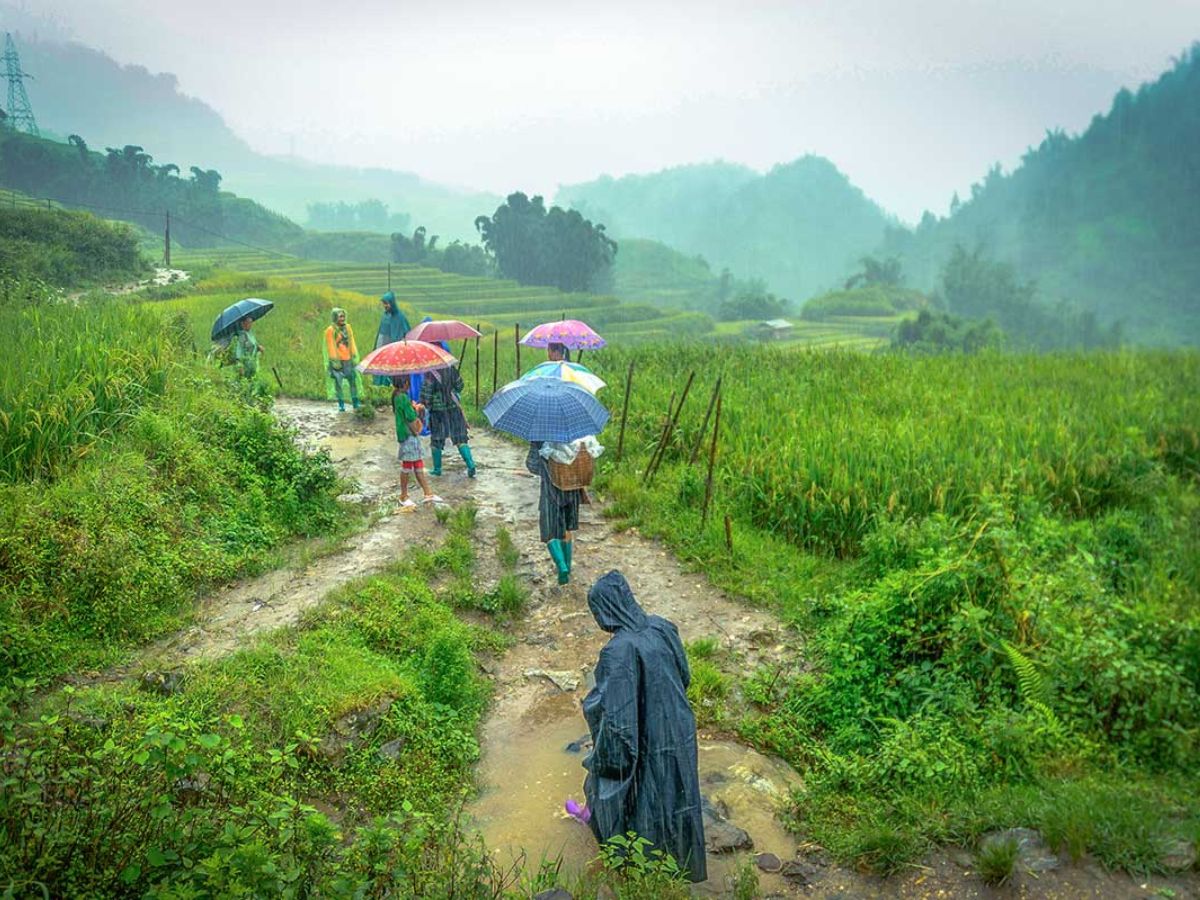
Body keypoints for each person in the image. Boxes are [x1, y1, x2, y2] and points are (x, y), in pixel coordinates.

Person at [577, 571, 707, 882]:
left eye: (598, 611)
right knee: (676, 793)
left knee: (631, 792)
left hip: (645, 734)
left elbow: (616, 717)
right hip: (678, 727)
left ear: (607, 609)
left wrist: (593, 713)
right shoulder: (663, 627)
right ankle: (682, 865)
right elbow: (684, 676)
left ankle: (637, 869)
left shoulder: (617, 651)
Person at [525, 438, 580, 584]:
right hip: (572, 489)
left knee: (549, 531)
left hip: (551, 492)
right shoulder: (576, 432)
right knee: (566, 529)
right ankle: (568, 569)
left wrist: (545, 464)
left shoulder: (539, 435)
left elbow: (532, 465)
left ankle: (561, 567)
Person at [391, 375, 442, 508]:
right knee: (407, 466)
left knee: (417, 463)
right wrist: (417, 410)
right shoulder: (402, 398)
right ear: (405, 383)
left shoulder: (397, 396)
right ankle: (403, 496)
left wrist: (412, 407)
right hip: (409, 435)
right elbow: (411, 418)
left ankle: (427, 493)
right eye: (408, 381)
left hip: (407, 435)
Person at [420, 366, 476, 478]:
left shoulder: (430, 374)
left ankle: (437, 469)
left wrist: (425, 405)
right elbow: (460, 386)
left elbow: (426, 396)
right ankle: (470, 464)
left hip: (438, 413)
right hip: (454, 408)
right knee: (460, 438)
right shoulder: (451, 368)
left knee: (437, 440)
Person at [324, 308, 360, 411]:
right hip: (337, 361)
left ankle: (355, 402)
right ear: (335, 317)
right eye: (340, 316)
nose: (342, 319)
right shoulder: (330, 330)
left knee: (352, 381)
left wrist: (354, 355)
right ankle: (341, 404)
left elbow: (352, 342)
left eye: (343, 316)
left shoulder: (348, 328)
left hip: (348, 359)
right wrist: (335, 361)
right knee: (338, 383)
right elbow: (330, 346)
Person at [373, 291, 411, 387]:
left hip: (396, 353)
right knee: (381, 375)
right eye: (384, 304)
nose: (385, 306)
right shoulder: (385, 316)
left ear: (392, 303)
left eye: (387, 303)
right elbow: (380, 335)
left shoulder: (400, 317)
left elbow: (407, 335)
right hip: (383, 351)